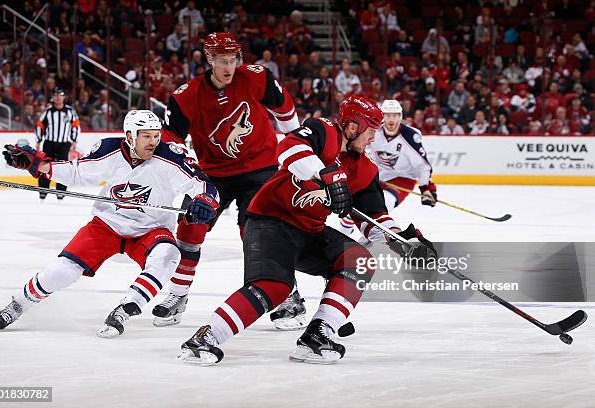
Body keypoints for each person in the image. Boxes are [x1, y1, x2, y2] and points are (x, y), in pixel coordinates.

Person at [178, 95, 434, 365]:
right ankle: (205, 338)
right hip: (270, 221)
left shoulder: (365, 169)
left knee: (359, 260)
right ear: (353, 126)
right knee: (274, 287)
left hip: (310, 230)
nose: (373, 139)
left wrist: (402, 240)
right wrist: (325, 174)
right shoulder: (324, 131)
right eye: (370, 131)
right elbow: (288, 147)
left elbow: (374, 217)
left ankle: (317, 336)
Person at [0, 110, 219, 338]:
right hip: (107, 225)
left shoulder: (171, 156)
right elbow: (77, 173)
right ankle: (18, 304)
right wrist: (38, 164)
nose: (154, 141)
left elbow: (203, 185)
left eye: (156, 135)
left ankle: (125, 309)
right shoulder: (109, 149)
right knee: (63, 271)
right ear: (130, 136)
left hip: (150, 229)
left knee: (168, 255)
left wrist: (205, 200)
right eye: (146, 136)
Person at [156, 32, 300, 327]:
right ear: (208, 60)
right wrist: (182, 174)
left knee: (260, 233)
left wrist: (299, 151)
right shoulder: (187, 96)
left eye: (233, 59)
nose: (228, 67)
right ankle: (178, 293)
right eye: (222, 60)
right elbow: (172, 141)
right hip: (212, 175)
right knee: (189, 227)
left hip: (259, 169)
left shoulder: (256, 78)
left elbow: (285, 108)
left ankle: (288, 298)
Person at [338, 99, 436, 237]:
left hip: (402, 180)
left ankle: (370, 241)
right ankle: (343, 238)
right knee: (353, 207)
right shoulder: (374, 131)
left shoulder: (410, 136)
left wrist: (426, 188)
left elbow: (422, 165)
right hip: (378, 176)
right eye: (388, 115)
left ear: (400, 116)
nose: (391, 119)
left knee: (382, 206)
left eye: (395, 115)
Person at [35, 87, 80, 200]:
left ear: (64, 97)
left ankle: (61, 191)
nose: (58, 97)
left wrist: (74, 140)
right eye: (56, 95)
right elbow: (40, 125)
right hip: (49, 143)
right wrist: (38, 140)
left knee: (63, 168)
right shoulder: (48, 111)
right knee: (44, 166)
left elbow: (75, 126)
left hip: (64, 144)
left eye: (60, 95)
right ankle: (43, 190)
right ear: (53, 97)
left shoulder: (70, 111)